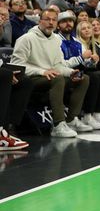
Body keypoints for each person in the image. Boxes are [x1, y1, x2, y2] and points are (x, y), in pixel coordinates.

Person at [10, 8, 91, 138]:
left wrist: (70, 72)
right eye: (47, 19)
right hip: (30, 78)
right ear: (40, 21)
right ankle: (58, 125)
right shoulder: (26, 38)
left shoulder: (55, 40)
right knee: (57, 78)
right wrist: (42, 71)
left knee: (83, 78)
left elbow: (57, 65)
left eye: (54, 20)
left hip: (50, 76)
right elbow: (17, 65)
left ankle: (71, 120)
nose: (51, 22)